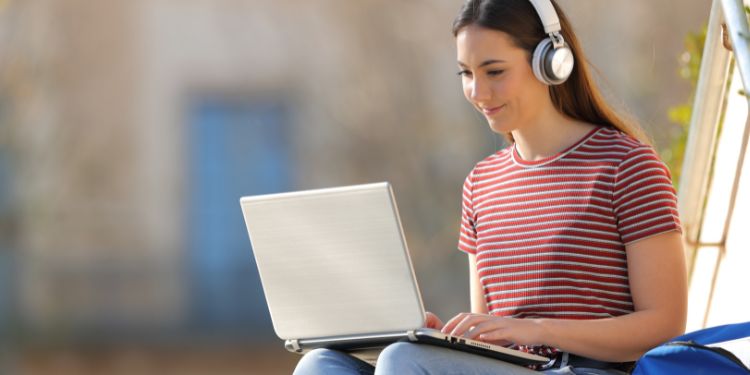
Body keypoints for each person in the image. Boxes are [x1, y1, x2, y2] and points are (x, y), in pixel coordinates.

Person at [293, 0, 687, 374]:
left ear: (551, 62)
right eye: (466, 73)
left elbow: (665, 324)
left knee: (403, 362)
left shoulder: (626, 166)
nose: (478, 93)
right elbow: (493, 333)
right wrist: (448, 338)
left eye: (494, 71)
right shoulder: (481, 183)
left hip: (585, 369)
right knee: (322, 365)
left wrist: (538, 329)